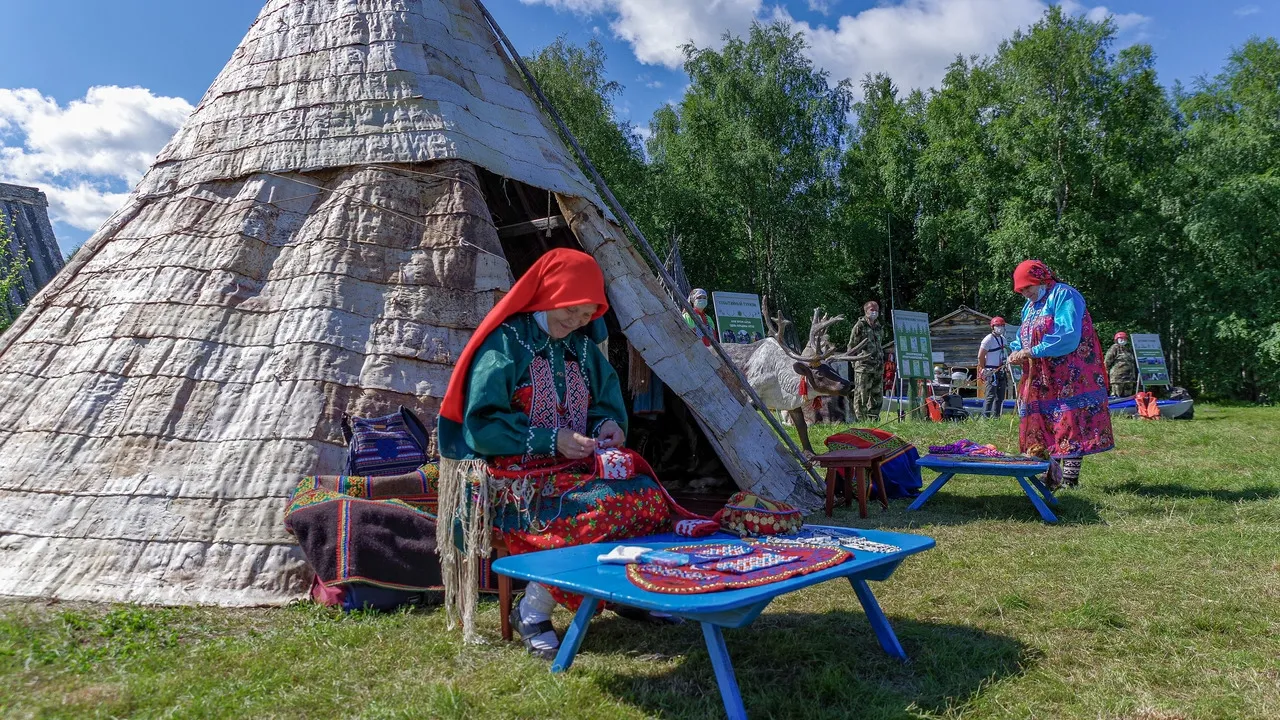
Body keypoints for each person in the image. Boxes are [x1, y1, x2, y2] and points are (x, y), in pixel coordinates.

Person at [436, 249, 698, 658]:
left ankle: (624, 594)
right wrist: (549, 439)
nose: (576, 322)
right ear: (549, 293)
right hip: (515, 485)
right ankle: (533, 610)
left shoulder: (581, 348)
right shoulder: (506, 343)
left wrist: (606, 427)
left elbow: (605, 406)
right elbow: (482, 425)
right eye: (572, 312)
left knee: (645, 494)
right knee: (603, 507)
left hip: (570, 471)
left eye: (586, 315)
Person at [1007, 260, 1114, 488]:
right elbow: (1023, 334)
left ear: (1041, 280)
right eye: (1021, 290)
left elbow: (1067, 334)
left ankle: (1070, 480)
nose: (1025, 293)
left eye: (1027, 287)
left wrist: (1033, 351)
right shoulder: (1031, 305)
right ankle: (1051, 477)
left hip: (1070, 372)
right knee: (1045, 423)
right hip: (1042, 376)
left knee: (1069, 422)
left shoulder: (1064, 295)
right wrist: (1016, 350)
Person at [850, 301, 885, 421]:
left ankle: (874, 419)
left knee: (877, 395)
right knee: (861, 395)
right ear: (866, 311)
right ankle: (861, 421)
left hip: (878, 367)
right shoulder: (860, 326)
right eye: (872, 309)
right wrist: (854, 364)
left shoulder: (879, 327)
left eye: (876, 310)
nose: (874, 312)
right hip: (863, 367)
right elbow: (852, 346)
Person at [978, 316, 1010, 418]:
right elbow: (980, 355)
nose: (1000, 328)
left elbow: (1004, 354)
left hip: (1001, 370)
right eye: (997, 326)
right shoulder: (988, 339)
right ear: (992, 327)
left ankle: (997, 417)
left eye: (1001, 326)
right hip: (991, 371)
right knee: (990, 396)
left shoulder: (1003, 339)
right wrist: (983, 368)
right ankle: (985, 418)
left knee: (1000, 397)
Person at [1105, 331, 1138, 397]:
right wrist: (1105, 372)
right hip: (1118, 379)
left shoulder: (1128, 349)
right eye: (1121, 339)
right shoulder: (1114, 348)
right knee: (1117, 397)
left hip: (1129, 379)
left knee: (1127, 398)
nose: (1123, 340)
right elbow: (1107, 361)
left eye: (1124, 339)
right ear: (1116, 340)